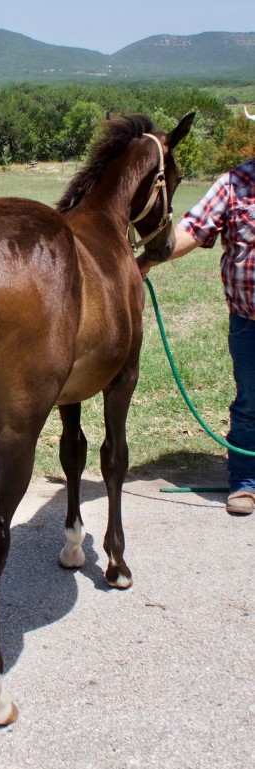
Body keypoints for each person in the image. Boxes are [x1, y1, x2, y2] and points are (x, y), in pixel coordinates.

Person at [137, 109, 255, 515]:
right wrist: (149, 258)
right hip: (249, 322)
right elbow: (193, 228)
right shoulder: (235, 184)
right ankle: (244, 482)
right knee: (249, 405)